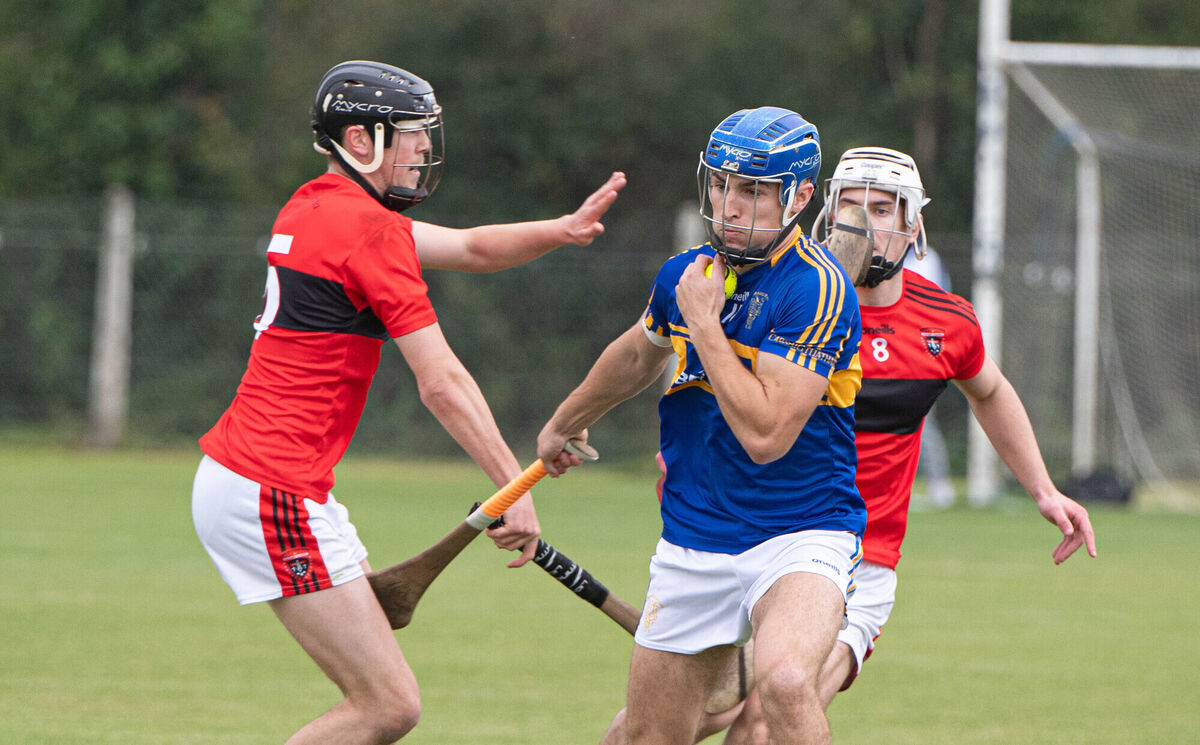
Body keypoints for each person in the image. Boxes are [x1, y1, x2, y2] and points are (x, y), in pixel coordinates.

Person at [190, 60, 625, 745]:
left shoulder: (314, 205)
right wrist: (513, 485)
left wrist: (561, 229)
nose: (424, 148)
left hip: (262, 481)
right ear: (360, 140)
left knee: (377, 700)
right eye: (412, 134)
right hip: (269, 486)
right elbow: (443, 381)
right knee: (386, 705)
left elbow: (474, 247)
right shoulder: (371, 230)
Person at [663, 146, 1097, 745]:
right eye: (850, 206)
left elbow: (991, 392)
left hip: (863, 562)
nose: (863, 223)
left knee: (770, 715)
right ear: (822, 214)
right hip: (749, 539)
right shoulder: (788, 297)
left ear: (912, 226)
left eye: (883, 208)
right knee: (656, 725)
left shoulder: (946, 322)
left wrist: (1044, 490)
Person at [538, 106, 864, 745]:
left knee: (789, 682)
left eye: (752, 191)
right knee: (647, 736)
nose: (729, 205)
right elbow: (638, 353)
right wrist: (564, 421)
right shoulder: (685, 274)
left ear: (799, 197)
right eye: (720, 185)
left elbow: (767, 436)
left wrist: (707, 326)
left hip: (800, 532)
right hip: (696, 536)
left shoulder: (819, 290)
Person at [901, 244, 956, 508]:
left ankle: (939, 485)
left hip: (917, 354)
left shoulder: (926, 258)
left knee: (924, 423)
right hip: (891, 349)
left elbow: (936, 307)